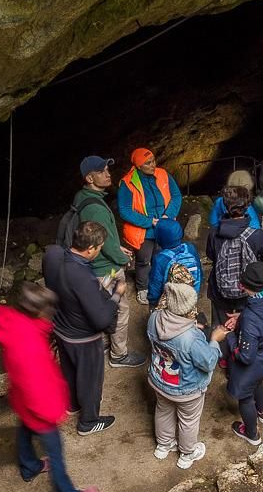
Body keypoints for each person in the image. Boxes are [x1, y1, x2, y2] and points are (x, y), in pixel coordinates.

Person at [0, 283, 98, 492]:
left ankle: (30, 466)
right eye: (49, 310)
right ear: (39, 311)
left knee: (24, 431)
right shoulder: (30, 345)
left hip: (21, 402)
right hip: (39, 409)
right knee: (56, 453)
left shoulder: (15, 325)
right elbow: (36, 385)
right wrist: (55, 412)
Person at [43, 221, 124, 435]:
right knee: (90, 378)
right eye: (99, 248)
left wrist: (97, 289)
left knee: (69, 370)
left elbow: (69, 291)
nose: (99, 252)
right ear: (90, 249)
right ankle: (88, 421)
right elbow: (100, 320)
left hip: (61, 328)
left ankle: (72, 405)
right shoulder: (82, 276)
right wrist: (116, 294)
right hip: (83, 338)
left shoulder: (53, 255)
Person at [71, 155, 144, 369]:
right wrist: (123, 259)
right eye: (102, 171)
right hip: (105, 269)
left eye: (106, 169)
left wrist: (115, 245)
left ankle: (102, 342)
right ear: (90, 178)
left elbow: (100, 236)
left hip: (94, 265)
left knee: (99, 305)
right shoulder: (96, 208)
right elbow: (107, 244)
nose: (107, 174)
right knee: (120, 308)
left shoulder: (83, 197)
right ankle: (119, 354)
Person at [146, 281, 225, 469]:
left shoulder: (154, 318)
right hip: (186, 389)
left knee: (163, 410)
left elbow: (172, 334)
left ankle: (163, 446)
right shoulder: (191, 338)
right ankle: (187, 454)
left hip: (159, 379)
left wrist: (191, 327)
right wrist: (214, 341)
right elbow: (208, 362)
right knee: (188, 420)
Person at [221, 262, 263, 446]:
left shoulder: (252, 318)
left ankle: (251, 433)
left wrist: (228, 336)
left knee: (245, 397)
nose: (241, 286)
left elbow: (245, 356)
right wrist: (241, 318)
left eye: (244, 285)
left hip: (254, 360)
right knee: (258, 381)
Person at [117, 147, 182, 304]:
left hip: (164, 227)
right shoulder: (128, 183)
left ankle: (160, 286)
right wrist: (149, 221)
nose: (153, 165)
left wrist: (168, 215)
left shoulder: (163, 174)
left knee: (162, 257)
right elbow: (124, 210)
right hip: (144, 230)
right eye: (148, 163)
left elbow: (176, 195)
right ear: (138, 166)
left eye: (153, 160)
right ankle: (143, 289)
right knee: (143, 260)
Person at [205, 185, 263, 328]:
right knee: (248, 328)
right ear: (247, 206)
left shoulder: (214, 234)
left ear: (224, 206)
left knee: (220, 330)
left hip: (220, 292)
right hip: (248, 292)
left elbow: (211, 256)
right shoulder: (257, 235)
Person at [147, 218, 203, 306]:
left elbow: (155, 284)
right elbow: (199, 270)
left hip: (170, 302)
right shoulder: (190, 248)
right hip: (190, 297)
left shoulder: (160, 259)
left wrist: (153, 302)